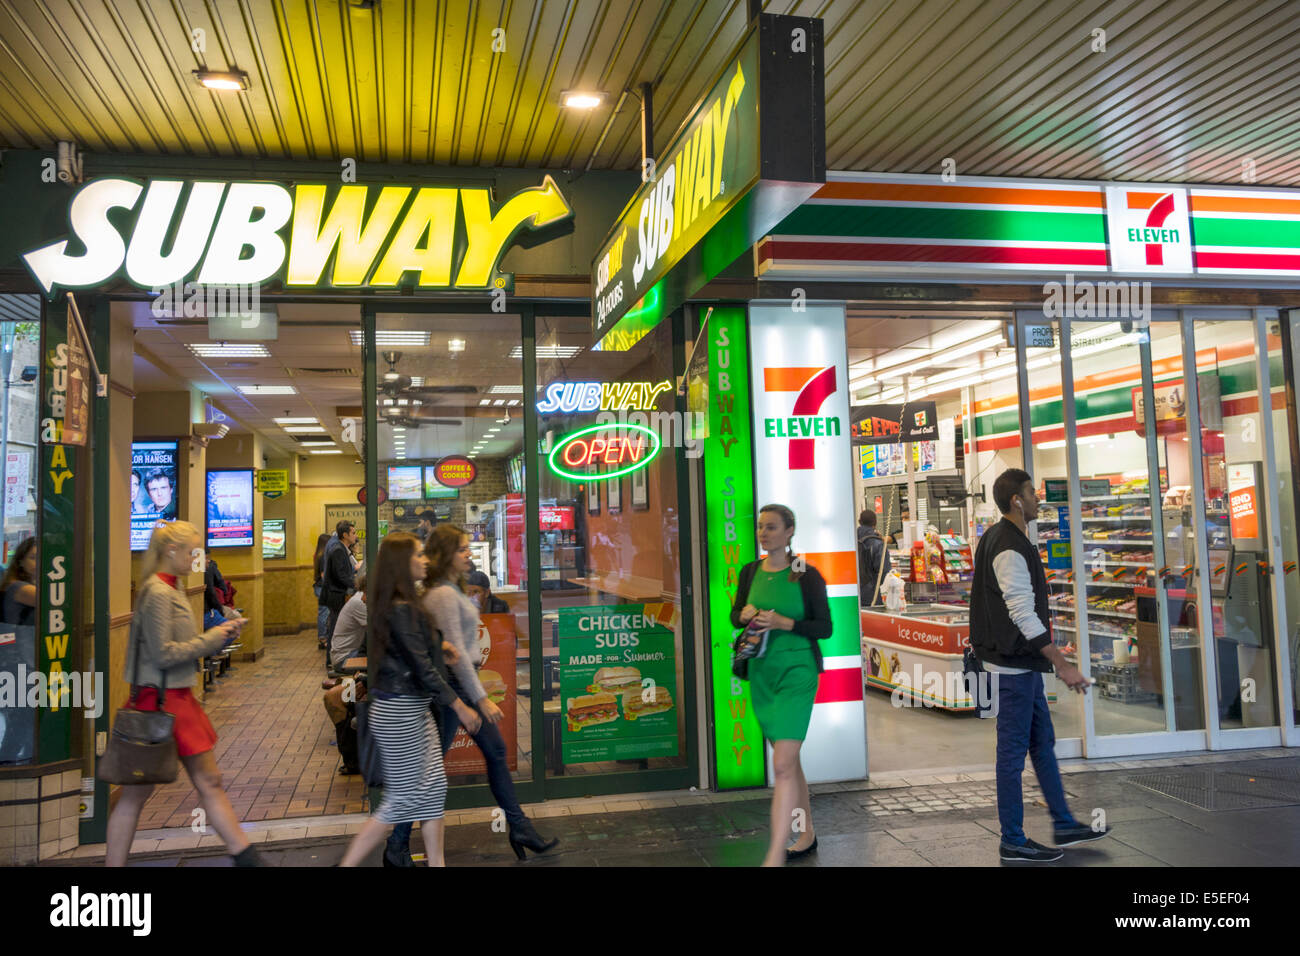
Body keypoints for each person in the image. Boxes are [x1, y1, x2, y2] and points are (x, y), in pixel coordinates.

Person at [390, 525, 557, 862]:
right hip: (452, 691)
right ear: (446, 554)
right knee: (428, 769)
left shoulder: (449, 590)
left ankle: (519, 825)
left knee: (494, 751)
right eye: (462, 548)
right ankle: (396, 844)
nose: (469, 553)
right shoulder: (443, 595)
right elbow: (458, 655)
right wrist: (479, 699)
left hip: (458, 687)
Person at [969, 468, 1109, 863]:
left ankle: (1063, 822)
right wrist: (1062, 664)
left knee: (1041, 743)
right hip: (1013, 668)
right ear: (1016, 500)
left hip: (1022, 666)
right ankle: (1012, 838)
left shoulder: (1006, 539)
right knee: (1011, 754)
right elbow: (1023, 614)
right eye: (1032, 492)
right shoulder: (1008, 546)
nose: (1037, 498)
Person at [105, 521, 256, 866]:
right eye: (192, 551)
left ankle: (247, 856)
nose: (196, 558)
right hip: (165, 701)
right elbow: (164, 654)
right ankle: (247, 857)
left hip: (165, 699)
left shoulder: (167, 589)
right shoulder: (160, 593)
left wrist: (218, 632)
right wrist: (215, 638)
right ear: (171, 551)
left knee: (145, 795)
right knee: (199, 784)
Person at [338, 532, 482, 868]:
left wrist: (440, 646)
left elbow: (419, 652)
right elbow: (422, 669)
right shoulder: (401, 608)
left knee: (432, 792)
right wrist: (460, 705)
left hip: (411, 710)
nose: (425, 560)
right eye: (418, 555)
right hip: (399, 712)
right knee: (400, 801)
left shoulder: (404, 603)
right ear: (402, 563)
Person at [730, 504, 832, 867]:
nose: (764, 533)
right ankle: (806, 834)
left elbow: (824, 628)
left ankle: (774, 853)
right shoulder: (750, 571)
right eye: (760, 527)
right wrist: (741, 615)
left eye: (772, 527)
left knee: (783, 762)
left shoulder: (804, 572)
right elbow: (735, 615)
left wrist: (785, 623)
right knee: (790, 762)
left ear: (790, 532)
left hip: (797, 672)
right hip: (762, 674)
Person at [321, 521, 358, 662]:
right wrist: (357, 585)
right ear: (345, 535)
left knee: (335, 627)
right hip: (335, 595)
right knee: (335, 629)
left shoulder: (341, 548)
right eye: (353, 533)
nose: (355, 536)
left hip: (336, 593)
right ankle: (331, 661)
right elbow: (341, 575)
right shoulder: (338, 549)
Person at [329, 571, 368, 673]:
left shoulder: (359, 598)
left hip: (345, 654)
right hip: (343, 659)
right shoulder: (359, 602)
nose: (364, 598)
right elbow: (379, 630)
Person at [857, 509, 890, 607]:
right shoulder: (878, 544)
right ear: (875, 524)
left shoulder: (851, 541)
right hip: (873, 597)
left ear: (859, 522)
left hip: (853, 596)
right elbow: (885, 572)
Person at [0, 537, 37, 627]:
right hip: (25, 640)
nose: (39, 562)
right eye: (33, 558)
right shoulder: (21, 588)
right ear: (21, 561)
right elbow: (54, 600)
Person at [312, 533, 331, 650]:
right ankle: (323, 638)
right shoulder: (324, 555)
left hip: (318, 586)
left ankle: (322, 637)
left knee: (322, 613)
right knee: (324, 613)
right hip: (322, 587)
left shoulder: (317, 555)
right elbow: (324, 575)